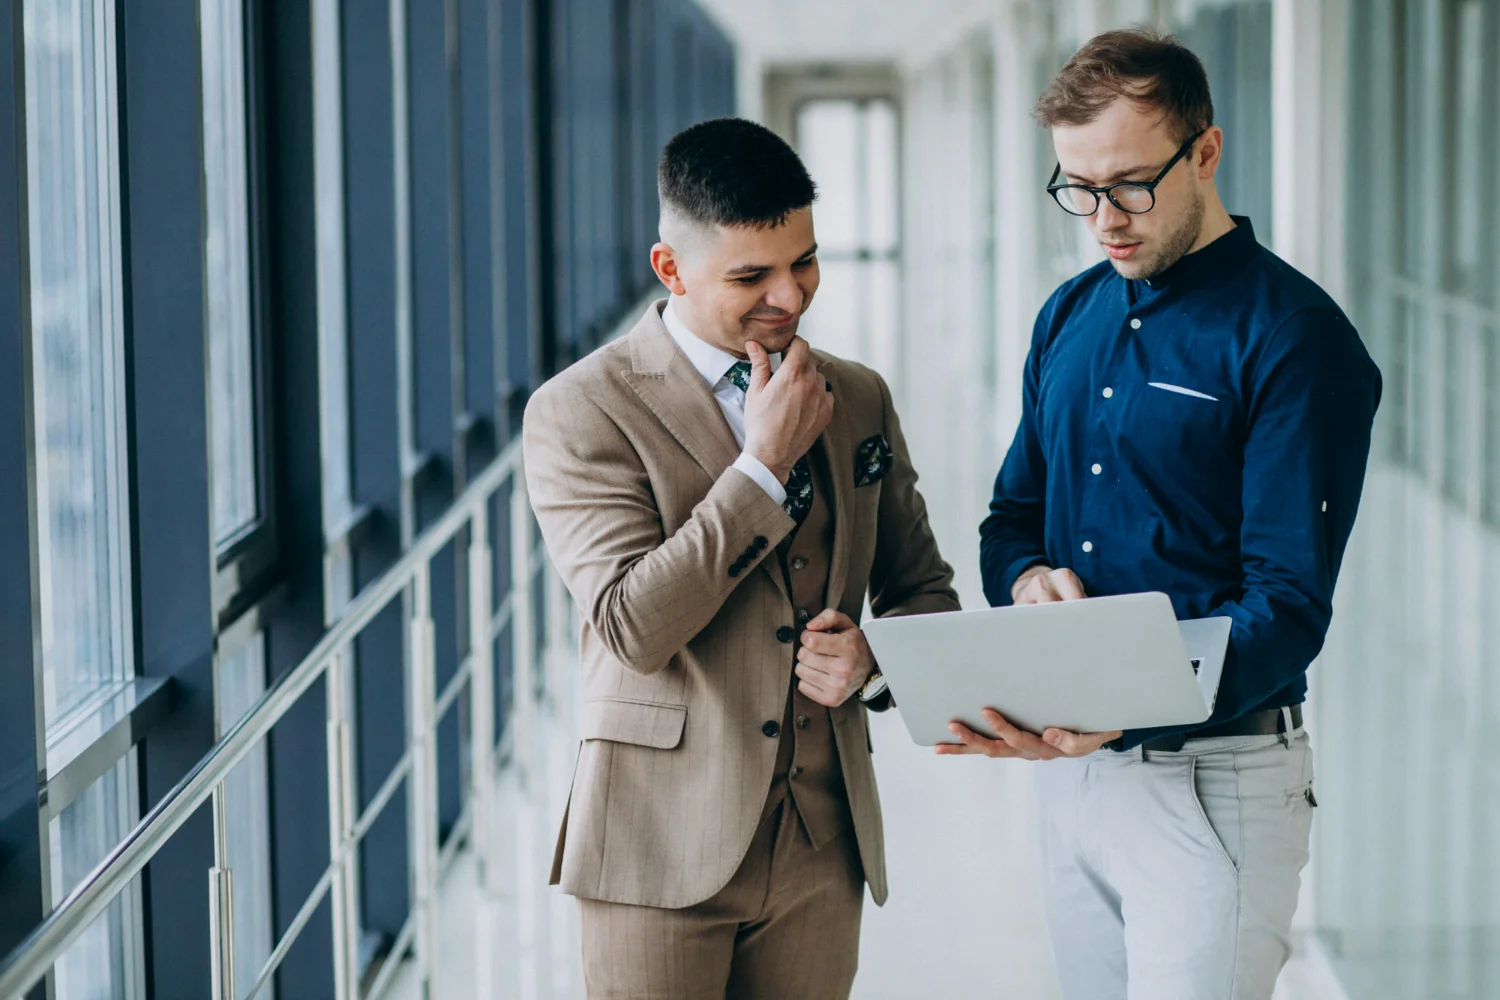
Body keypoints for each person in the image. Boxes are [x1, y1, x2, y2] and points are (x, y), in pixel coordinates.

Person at [942, 29, 1381, 1000]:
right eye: (1077, 189)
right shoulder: (1068, 314)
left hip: (1214, 786)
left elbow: (1288, 605)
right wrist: (1025, 579)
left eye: (1131, 184)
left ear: (1207, 154)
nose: (1103, 219)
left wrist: (1125, 701)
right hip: (1074, 780)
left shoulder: (1295, 340)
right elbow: (1010, 517)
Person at [522, 117, 958, 999]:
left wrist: (877, 662)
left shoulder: (859, 395)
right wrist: (762, 468)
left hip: (821, 845)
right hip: (657, 846)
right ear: (671, 269)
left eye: (804, 262)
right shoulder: (581, 410)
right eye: (751, 276)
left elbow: (923, 589)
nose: (791, 298)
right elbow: (629, 626)